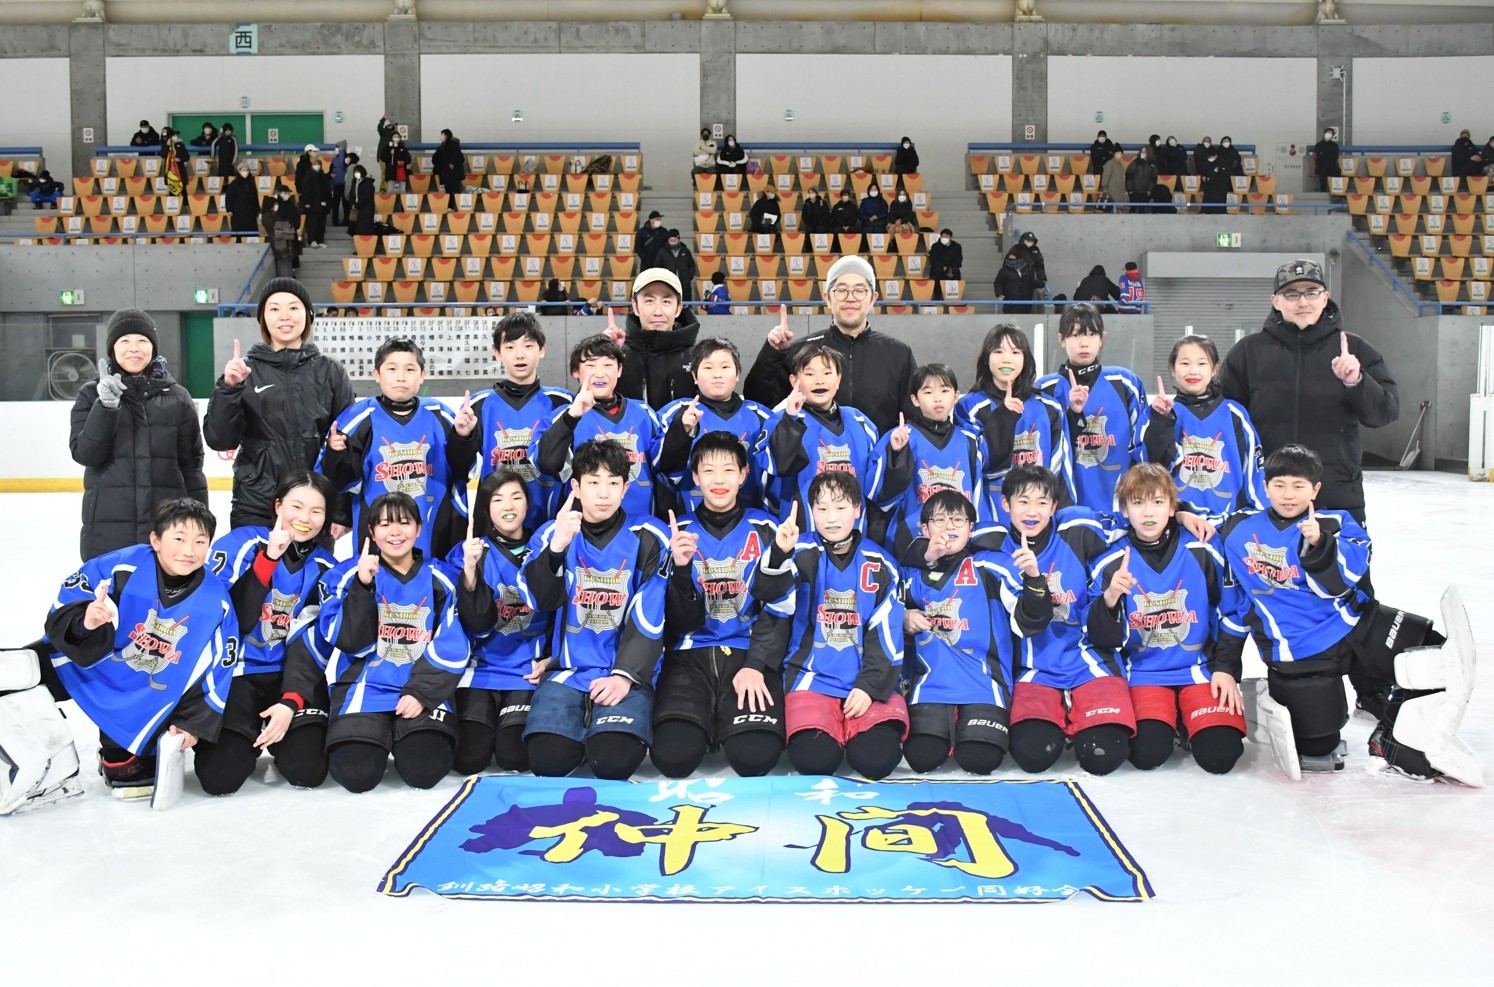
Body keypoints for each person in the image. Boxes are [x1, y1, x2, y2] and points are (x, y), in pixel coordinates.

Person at [1219, 445, 1481, 785]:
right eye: (1279, 485)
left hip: (1356, 624)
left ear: (1315, 489)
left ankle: (1390, 734)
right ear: (1265, 487)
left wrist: (1320, 544)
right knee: (1318, 751)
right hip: (1298, 650)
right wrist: (1226, 666)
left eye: (1298, 486)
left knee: (1433, 655)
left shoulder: (1339, 523)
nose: (1288, 495)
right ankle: (1300, 705)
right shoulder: (1237, 532)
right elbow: (1233, 604)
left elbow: (1340, 583)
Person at [33, 498, 236, 801]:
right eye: (179, 539)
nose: (189, 550)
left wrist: (190, 723)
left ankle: (119, 749)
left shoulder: (215, 601)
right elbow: (71, 596)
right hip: (92, 663)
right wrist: (85, 621)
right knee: (17, 672)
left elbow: (218, 666)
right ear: (155, 540)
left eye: (200, 541)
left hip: (145, 692)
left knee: (125, 772)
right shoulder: (121, 566)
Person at [649, 430, 797, 778]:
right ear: (695, 476)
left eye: (729, 470)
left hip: (748, 653)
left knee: (755, 758)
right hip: (688, 656)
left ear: (744, 475)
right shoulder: (675, 533)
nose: (719, 480)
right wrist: (681, 570)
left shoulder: (767, 529)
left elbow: (779, 606)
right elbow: (674, 621)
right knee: (673, 758)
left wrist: (757, 664)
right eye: (709, 471)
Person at [519, 439, 669, 780]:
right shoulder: (552, 533)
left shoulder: (649, 536)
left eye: (613, 483)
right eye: (594, 482)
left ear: (625, 488)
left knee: (612, 762)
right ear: (576, 487)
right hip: (569, 671)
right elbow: (538, 602)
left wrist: (624, 676)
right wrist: (557, 548)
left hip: (627, 673)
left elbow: (650, 614)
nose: (604, 493)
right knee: (548, 762)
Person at [1086, 464, 1249, 774]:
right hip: (1143, 673)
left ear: (1173, 507)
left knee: (1220, 756)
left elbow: (1232, 611)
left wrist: (1226, 668)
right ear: (1124, 509)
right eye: (1138, 503)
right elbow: (1099, 638)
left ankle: (1189, 721)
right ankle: (1173, 720)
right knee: (1147, 754)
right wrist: (1109, 599)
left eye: (1158, 502)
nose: (1149, 512)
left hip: (1199, 670)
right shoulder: (1110, 559)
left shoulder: (1202, 548)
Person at [746, 471, 905, 779]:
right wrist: (779, 553)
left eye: (841, 507)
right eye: (821, 508)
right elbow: (768, 596)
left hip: (866, 680)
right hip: (812, 679)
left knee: (877, 760)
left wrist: (869, 687)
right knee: (814, 761)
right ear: (811, 511)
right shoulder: (797, 551)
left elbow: (887, 634)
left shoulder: (882, 564)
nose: (831, 517)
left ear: (857, 509)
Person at [307, 492, 467, 793]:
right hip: (364, 687)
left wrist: (422, 692)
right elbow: (350, 642)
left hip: (423, 689)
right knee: (356, 773)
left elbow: (453, 643)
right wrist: (362, 587)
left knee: (425, 770)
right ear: (371, 531)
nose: (395, 532)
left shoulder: (442, 577)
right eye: (384, 524)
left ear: (419, 528)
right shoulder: (346, 575)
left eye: (404, 523)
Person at [1221, 259, 1398, 523]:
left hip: (1336, 496)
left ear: (1325, 298)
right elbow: (1223, 419)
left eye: (1312, 293)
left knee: (1338, 553)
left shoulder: (1354, 349)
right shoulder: (1248, 352)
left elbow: (1385, 413)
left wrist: (1356, 381)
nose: (1303, 302)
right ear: (1276, 301)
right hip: (1266, 495)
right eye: (1291, 294)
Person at [195, 472, 340, 794]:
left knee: (308, 770)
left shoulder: (328, 569)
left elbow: (312, 645)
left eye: (316, 511)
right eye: (296, 506)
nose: (305, 518)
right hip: (236, 672)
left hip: (290, 675)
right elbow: (227, 620)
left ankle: (284, 734)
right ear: (278, 506)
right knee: (220, 775)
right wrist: (268, 560)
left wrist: (291, 701)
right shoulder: (240, 544)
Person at [984, 465, 1132, 774]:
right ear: (1005, 503)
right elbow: (934, 544)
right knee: (1034, 755)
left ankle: (1080, 715)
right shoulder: (991, 543)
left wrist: (1183, 514)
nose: (1032, 511)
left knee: (1103, 755)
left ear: (1054, 506)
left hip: (1087, 659)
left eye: (1042, 502)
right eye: (1023, 501)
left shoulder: (1076, 525)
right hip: (1034, 667)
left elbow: (1136, 519)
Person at [901, 490, 1051, 774]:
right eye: (939, 520)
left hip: (984, 683)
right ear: (925, 530)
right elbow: (878, 609)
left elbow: (1033, 618)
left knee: (980, 758)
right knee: (922, 757)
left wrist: (1034, 578)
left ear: (971, 528)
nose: (948, 527)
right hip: (932, 684)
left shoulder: (991, 565)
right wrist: (903, 616)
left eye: (958, 520)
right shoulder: (912, 574)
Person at [204, 277, 355, 531]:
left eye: (293, 307)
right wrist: (229, 389)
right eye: (274, 309)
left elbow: (347, 446)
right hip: (256, 505)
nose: (285, 316)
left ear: (307, 315)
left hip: (313, 504)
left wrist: (339, 511)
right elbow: (220, 440)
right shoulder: (244, 372)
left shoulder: (330, 371)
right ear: (263, 318)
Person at [318, 336, 479, 561]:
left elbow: (465, 471)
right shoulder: (358, 417)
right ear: (376, 374)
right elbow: (338, 482)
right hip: (378, 537)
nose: (401, 377)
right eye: (392, 369)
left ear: (422, 375)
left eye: (410, 369)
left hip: (438, 533)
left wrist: (463, 437)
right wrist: (336, 454)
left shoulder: (441, 415)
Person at [70, 309, 207, 561]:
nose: (134, 348)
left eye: (142, 340)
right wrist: (106, 407)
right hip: (107, 529)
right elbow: (86, 454)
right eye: (124, 340)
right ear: (112, 348)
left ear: (153, 347)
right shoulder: (91, 395)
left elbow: (192, 467)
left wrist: (200, 523)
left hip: (166, 527)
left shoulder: (178, 398)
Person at [448, 469, 551, 775]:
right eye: (498, 499)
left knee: (514, 755)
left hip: (527, 671)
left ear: (528, 503)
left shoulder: (547, 548)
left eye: (516, 497)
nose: (508, 506)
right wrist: (469, 572)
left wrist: (554, 659)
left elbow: (562, 611)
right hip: (479, 669)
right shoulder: (467, 553)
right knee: (468, 758)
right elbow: (474, 624)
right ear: (485, 508)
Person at [745, 255, 915, 435]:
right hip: (813, 452)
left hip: (880, 452)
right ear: (827, 298)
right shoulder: (803, 352)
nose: (850, 298)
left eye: (860, 290)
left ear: (873, 299)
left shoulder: (898, 353)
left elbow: (914, 415)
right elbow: (759, 402)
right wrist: (774, 353)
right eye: (841, 290)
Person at [533, 334, 664, 521]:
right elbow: (547, 464)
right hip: (586, 527)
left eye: (608, 365)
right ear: (575, 371)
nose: (600, 373)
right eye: (591, 365)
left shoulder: (644, 413)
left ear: (619, 370)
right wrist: (571, 417)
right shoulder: (563, 416)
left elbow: (667, 468)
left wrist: (682, 431)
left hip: (639, 524)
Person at [1141, 335, 1267, 526]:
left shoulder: (1234, 414)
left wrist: (1253, 520)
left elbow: (1254, 473)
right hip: (1179, 525)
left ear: (1214, 369)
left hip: (1228, 525)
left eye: (1202, 363)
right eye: (1185, 363)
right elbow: (1149, 470)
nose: (1193, 371)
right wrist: (1161, 421)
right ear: (1173, 369)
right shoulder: (1159, 413)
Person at [1036, 303, 1148, 514]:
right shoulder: (1044, 389)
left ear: (1101, 339)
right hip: (1063, 513)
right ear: (1061, 339)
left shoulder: (1125, 383)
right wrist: (1071, 414)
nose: (1084, 342)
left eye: (1092, 334)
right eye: (1075, 335)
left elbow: (1143, 449)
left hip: (1118, 511)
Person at [955, 325, 1072, 525]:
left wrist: (1058, 519)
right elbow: (974, 465)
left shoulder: (1049, 407)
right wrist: (1003, 418)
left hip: (1039, 519)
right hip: (990, 518)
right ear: (986, 358)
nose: (1006, 359)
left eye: (1015, 352)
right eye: (998, 351)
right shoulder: (969, 407)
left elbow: (1061, 470)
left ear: (1026, 359)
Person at [755, 341, 879, 530]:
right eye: (810, 374)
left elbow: (876, 486)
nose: (819, 381)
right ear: (794, 381)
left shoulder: (861, 423)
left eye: (827, 373)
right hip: (800, 535)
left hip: (853, 536)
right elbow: (775, 470)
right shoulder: (780, 420)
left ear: (838, 379)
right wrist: (790, 421)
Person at [468, 311, 572, 531]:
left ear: (542, 349)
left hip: (551, 521)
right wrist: (461, 438)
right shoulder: (479, 405)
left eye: (528, 345)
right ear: (497, 353)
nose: (519, 355)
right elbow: (460, 468)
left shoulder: (562, 402)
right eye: (510, 347)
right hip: (497, 526)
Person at [868, 364, 984, 557]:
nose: (937, 398)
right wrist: (896, 454)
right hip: (910, 543)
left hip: (959, 542)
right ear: (915, 399)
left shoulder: (969, 440)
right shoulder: (900, 437)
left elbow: (977, 496)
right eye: (928, 392)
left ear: (956, 396)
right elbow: (878, 495)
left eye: (944, 391)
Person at [656, 336, 771, 514]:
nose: (717, 374)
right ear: (694, 376)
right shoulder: (675, 413)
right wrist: (680, 431)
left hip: (749, 517)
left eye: (725, 367)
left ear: (737, 374)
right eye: (708, 368)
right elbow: (660, 468)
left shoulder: (762, 417)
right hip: (690, 517)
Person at [618, 268, 702, 409]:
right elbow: (589, 408)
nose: (658, 312)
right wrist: (600, 356)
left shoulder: (699, 359)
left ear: (678, 308)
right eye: (649, 301)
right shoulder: (617, 358)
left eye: (666, 301)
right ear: (635, 306)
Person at [650, 230, 698, 303]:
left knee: (686, 302)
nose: (673, 241)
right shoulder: (662, 251)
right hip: (668, 282)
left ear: (679, 239)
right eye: (671, 240)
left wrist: (688, 277)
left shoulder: (685, 251)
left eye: (674, 239)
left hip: (684, 283)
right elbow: (657, 267)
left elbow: (692, 265)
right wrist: (662, 278)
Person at [262, 184, 300, 277]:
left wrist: (294, 226)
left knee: (290, 255)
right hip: (280, 238)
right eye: (286, 193)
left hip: (289, 234)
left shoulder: (290, 204)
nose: (288, 195)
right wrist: (287, 225)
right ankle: (286, 274)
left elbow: (296, 216)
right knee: (283, 258)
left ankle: (291, 271)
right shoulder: (269, 215)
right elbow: (273, 226)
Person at [300, 153, 331, 249]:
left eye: (318, 164)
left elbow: (327, 189)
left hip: (323, 204)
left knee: (321, 224)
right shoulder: (308, 175)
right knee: (312, 223)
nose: (317, 166)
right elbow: (306, 190)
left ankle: (320, 240)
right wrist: (307, 202)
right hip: (313, 205)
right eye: (315, 164)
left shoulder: (323, 176)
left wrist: (328, 202)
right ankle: (312, 240)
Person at [224, 163, 260, 234]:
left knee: (252, 233)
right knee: (239, 233)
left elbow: (255, 198)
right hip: (238, 213)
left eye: (247, 170)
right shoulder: (234, 184)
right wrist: (229, 209)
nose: (245, 172)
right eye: (243, 170)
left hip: (251, 214)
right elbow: (229, 197)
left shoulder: (251, 184)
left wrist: (257, 210)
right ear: (239, 171)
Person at [1012, 230, 1047, 300]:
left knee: (1027, 300)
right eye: (1028, 240)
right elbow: (1009, 264)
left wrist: (1041, 278)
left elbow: (1040, 264)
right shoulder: (1016, 249)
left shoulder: (1035, 250)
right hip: (1016, 281)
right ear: (1023, 240)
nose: (1030, 242)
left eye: (1031, 241)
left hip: (1029, 281)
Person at [432, 129, 465, 195]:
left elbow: (460, 158)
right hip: (444, 173)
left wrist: (452, 163)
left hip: (452, 173)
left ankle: (454, 201)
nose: (441, 136)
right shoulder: (442, 147)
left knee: (454, 190)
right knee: (448, 191)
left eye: (442, 134)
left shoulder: (453, 146)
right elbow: (435, 158)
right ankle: (450, 201)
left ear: (446, 136)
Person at [1199, 147, 1231, 214]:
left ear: (1216, 155)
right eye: (1208, 157)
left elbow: (1221, 176)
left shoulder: (1222, 164)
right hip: (1209, 190)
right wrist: (1204, 178)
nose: (1210, 158)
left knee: (1219, 206)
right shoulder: (1207, 163)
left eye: (1211, 156)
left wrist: (1208, 179)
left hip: (1219, 190)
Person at [1125, 145, 1158, 211]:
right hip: (1134, 191)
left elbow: (1153, 179)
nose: (1142, 153)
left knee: (1142, 209)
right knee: (1133, 209)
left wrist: (1149, 189)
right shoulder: (1135, 162)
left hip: (1145, 192)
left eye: (1144, 152)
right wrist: (1130, 189)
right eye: (1142, 151)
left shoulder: (1152, 165)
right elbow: (1129, 176)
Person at [348, 163, 376, 237]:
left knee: (364, 228)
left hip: (366, 209)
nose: (356, 174)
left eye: (358, 172)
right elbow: (351, 194)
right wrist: (352, 204)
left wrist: (357, 205)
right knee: (356, 228)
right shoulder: (354, 182)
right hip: (356, 208)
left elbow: (366, 196)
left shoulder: (368, 183)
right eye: (355, 172)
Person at [1313, 127, 1341, 192]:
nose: (1329, 134)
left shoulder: (1334, 146)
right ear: (1324, 133)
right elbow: (1319, 157)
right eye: (1328, 132)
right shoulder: (1318, 145)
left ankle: (1336, 191)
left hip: (1332, 165)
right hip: (1322, 166)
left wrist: (1328, 161)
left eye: (1331, 133)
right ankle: (1323, 191)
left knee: (1337, 171)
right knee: (1323, 172)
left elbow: (1335, 157)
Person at [329, 140, 349, 228]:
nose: (337, 148)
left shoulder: (344, 157)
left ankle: (343, 221)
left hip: (342, 183)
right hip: (337, 183)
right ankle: (337, 221)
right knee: (337, 204)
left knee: (343, 204)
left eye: (338, 147)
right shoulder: (336, 157)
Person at [376, 113, 399, 189]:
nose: (390, 126)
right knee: (384, 173)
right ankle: (383, 188)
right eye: (389, 125)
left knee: (388, 173)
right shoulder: (383, 132)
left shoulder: (394, 135)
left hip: (390, 158)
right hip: (382, 157)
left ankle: (386, 188)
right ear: (386, 126)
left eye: (391, 125)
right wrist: (383, 119)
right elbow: (379, 128)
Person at [1100, 146, 1127, 210]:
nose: (1119, 155)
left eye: (1120, 153)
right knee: (1113, 203)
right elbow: (1106, 175)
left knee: (1119, 203)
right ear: (1114, 154)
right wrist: (1104, 187)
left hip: (1120, 187)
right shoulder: (1110, 163)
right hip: (1112, 188)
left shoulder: (1120, 164)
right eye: (1117, 153)